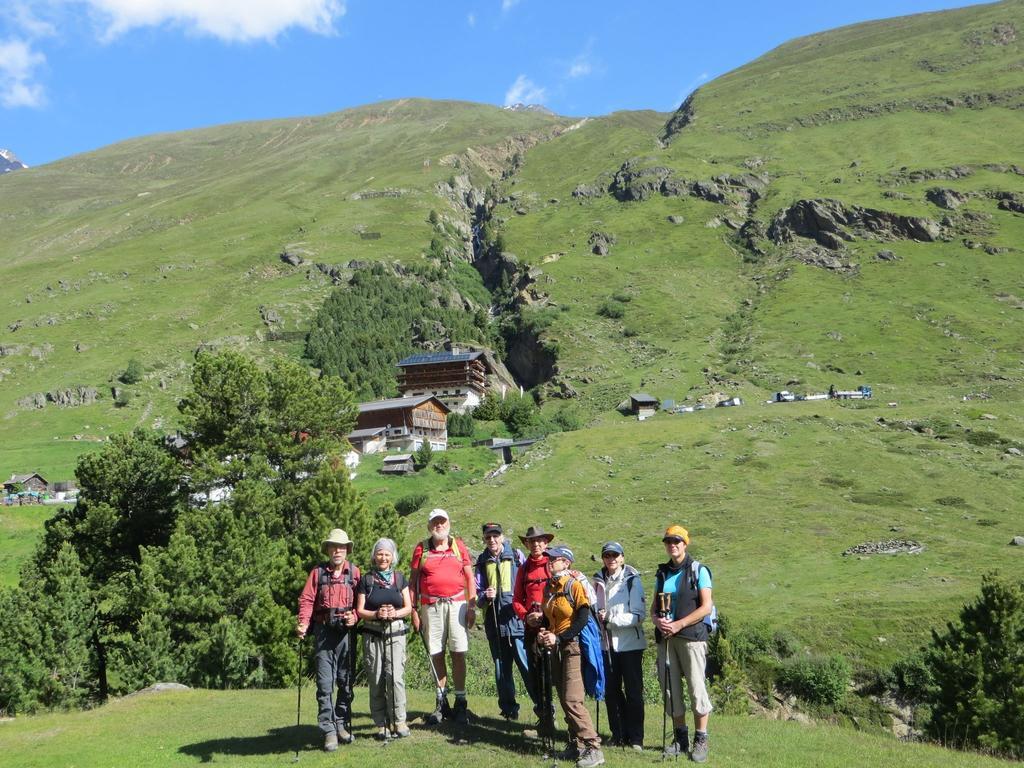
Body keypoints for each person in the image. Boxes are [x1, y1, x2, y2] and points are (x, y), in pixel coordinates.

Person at [538, 544, 605, 768]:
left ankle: (593, 747)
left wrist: (561, 637)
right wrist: (544, 632)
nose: (549, 562)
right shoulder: (548, 588)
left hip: (572, 647)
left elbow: (583, 617)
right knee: (563, 697)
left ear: (566, 563)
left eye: (554, 559)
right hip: (556, 647)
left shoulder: (573, 585)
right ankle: (575, 744)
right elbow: (548, 619)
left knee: (572, 699)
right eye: (549, 559)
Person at [652, 525, 713, 763]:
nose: (672, 545)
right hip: (666, 640)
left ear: (685, 544)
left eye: (677, 541)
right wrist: (659, 622)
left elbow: (706, 607)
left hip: (691, 639)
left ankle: (701, 738)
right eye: (668, 541)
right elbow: (653, 610)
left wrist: (679, 624)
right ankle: (680, 738)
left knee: (697, 688)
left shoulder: (698, 570)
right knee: (670, 690)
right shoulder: (662, 573)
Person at [410, 508, 477, 725]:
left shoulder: (458, 546)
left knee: (458, 652)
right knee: (435, 654)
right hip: (430, 607)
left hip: (457, 605)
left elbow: (469, 577)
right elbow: (413, 582)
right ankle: (441, 701)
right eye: (435, 522)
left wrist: (472, 606)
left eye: (442, 521)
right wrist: (413, 610)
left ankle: (460, 701)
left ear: (448, 523)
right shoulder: (421, 548)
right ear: (429, 526)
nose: (439, 525)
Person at [297, 528, 361, 752]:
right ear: (328, 550)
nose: (337, 551)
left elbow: (361, 603)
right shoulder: (317, 573)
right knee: (325, 684)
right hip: (323, 633)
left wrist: (356, 616)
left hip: (346, 633)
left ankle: (341, 723)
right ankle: (329, 731)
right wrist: (304, 623)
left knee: (346, 681)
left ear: (346, 551)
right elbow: (306, 599)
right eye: (334, 547)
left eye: (341, 547)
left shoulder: (354, 572)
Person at [474, 521, 538, 720]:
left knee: (527, 667)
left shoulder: (517, 556)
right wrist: (486, 595)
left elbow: (527, 586)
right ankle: (509, 711)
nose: (492, 540)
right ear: (484, 539)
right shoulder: (481, 561)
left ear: (501, 537)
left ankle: (543, 708)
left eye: (495, 536)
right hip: (495, 624)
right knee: (502, 671)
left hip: (518, 623)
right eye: (488, 537)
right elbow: (477, 596)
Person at [356, 538, 413, 740]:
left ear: (393, 557)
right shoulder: (367, 580)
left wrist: (394, 614)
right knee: (377, 678)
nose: (383, 557)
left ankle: (399, 720)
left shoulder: (399, 578)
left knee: (396, 678)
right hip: (372, 633)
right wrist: (377, 614)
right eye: (380, 553)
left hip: (396, 633)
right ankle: (381, 723)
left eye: (387, 554)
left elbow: (408, 607)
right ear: (374, 555)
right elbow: (360, 610)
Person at [593, 541, 646, 751]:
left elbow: (638, 616)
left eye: (615, 555)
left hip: (630, 645)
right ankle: (618, 734)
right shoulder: (597, 581)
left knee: (633, 693)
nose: (611, 559)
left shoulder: (632, 580)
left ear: (622, 558)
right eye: (607, 556)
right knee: (611, 692)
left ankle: (636, 738)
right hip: (607, 645)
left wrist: (611, 619)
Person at [512, 524, 555, 728]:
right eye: (532, 541)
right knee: (536, 674)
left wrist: (545, 614)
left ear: (545, 543)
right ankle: (544, 716)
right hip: (531, 628)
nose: (536, 544)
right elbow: (517, 600)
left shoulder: (553, 565)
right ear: (527, 544)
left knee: (556, 674)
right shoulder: (524, 569)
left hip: (554, 627)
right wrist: (526, 616)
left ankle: (565, 719)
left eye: (539, 540)